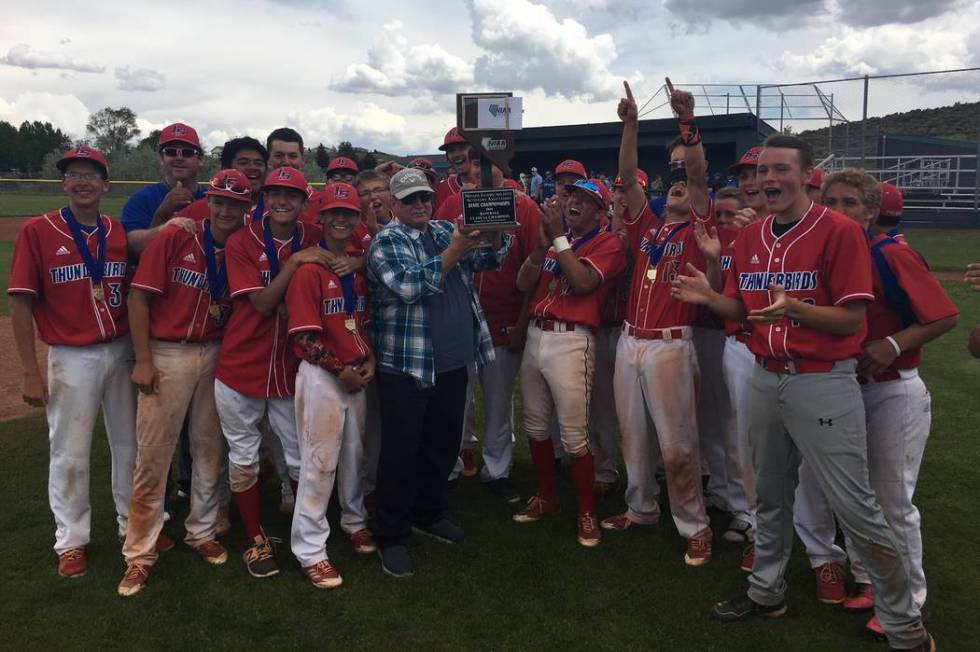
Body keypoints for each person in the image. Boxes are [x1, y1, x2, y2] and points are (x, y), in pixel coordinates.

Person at [671, 134, 934, 651]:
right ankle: (767, 591)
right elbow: (744, 311)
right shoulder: (750, 238)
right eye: (763, 171)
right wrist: (709, 298)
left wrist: (796, 309)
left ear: (806, 175)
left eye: (781, 170)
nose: (769, 179)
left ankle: (905, 625)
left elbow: (852, 319)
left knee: (856, 505)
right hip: (765, 374)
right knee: (768, 495)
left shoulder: (837, 231)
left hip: (822, 378)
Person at [820, 170, 957, 637]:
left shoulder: (891, 253)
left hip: (893, 388)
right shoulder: (835, 252)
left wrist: (894, 345)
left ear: (872, 211)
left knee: (892, 499)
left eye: (850, 204)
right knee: (856, 496)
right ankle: (873, 582)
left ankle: (909, 600)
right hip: (851, 388)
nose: (838, 212)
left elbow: (944, 315)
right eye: (831, 202)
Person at [366, 168, 512, 577]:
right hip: (407, 365)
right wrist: (454, 251)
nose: (419, 206)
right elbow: (410, 286)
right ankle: (391, 534)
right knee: (400, 452)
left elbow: (490, 257)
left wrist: (494, 226)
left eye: (424, 198)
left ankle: (428, 513)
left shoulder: (446, 227)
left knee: (443, 444)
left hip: (452, 360)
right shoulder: (386, 241)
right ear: (393, 204)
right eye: (410, 199)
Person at [116, 169, 251, 596]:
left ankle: (202, 530)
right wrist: (142, 358)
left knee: (210, 447)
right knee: (153, 454)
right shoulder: (177, 236)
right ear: (208, 202)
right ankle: (139, 551)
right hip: (168, 350)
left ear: (246, 208)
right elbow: (139, 297)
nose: (226, 210)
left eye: (235, 203)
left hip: (214, 352)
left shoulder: (241, 248)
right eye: (220, 201)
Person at [9, 146, 139, 578]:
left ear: (105, 184)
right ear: (64, 183)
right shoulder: (38, 230)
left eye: (91, 175)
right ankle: (71, 540)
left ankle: (131, 525)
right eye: (74, 175)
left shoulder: (114, 231)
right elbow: (23, 305)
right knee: (70, 452)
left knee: (128, 445)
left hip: (120, 350)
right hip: (71, 355)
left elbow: (144, 244)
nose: (82, 182)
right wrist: (30, 369)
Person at [601, 80, 714, 566]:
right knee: (634, 434)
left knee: (677, 442)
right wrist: (630, 124)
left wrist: (685, 125)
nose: (679, 186)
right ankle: (640, 506)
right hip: (631, 342)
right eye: (673, 183)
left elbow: (698, 175)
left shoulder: (699, 227)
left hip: (670, 345)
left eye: (684, 184)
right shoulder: (649, 226)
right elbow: (627, 176)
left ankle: (695, 524)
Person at [215, 167, 326, 578]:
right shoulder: (242, 241)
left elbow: (345, 266)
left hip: (289, 365)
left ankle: (305, 532)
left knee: (298, 456)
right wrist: (296, 262)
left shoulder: (314, 235)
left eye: (291, 195)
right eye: (275, 193)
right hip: (241, 364)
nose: (282, 201)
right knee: (244, 457)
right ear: (265, 198)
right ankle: (254, 538)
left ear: (302, 202)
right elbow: (260, 305)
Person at [512, 178, 625, 547]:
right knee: (535, 424)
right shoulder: (558, 241)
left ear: (601, 211)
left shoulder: (608, 241)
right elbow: (522, 283)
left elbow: (581, 283)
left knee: (575, 434)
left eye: (586, 200)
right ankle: (547, 496)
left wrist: (557, 238)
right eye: (572, 196)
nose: (575, 202)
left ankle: (587, 511)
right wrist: (540, 247)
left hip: (573, 338)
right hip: (537, 332)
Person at [435, 157, 543, 503]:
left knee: (497, 402)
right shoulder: (451, 203)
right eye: (466, 163)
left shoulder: (524, 206)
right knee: (454, 401)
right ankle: (448, 469)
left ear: (501, 168)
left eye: (483, 163)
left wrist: (523, 323)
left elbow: (535, 272)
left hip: (503, 317)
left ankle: (497, 471)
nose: (473, 170)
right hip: (458, 319)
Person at [286, 182, 377, 589]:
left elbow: (361, 325)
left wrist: (369, 358)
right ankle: (310, 549)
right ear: (320, 219)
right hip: (323, 376)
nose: (342, 219)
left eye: (350, 213)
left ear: (359, 219)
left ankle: (353, 519)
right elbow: (304, 340)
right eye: (334, 213)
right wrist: (342, 370)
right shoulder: (308, 270)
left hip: (355, 372)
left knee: (355, 456)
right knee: (319, 463)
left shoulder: (354, 269)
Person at [122, 123, 205, 253]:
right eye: (171, 152)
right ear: (162, 158)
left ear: (200, 159)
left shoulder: (213, 199)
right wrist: (163, 213)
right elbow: (132, 247)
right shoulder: (142, 198)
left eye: (187, 153)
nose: (179, 158)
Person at [178, 137, 269, 223]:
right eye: (243, 163)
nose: (253, 167)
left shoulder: (275, 210)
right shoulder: (199, 209)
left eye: (258, 163)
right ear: (225, 169)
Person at [434, 127, 474, 213]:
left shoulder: (498, 184)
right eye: (451, 151)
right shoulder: (442, 189)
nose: (456, 154)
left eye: (462, 148)